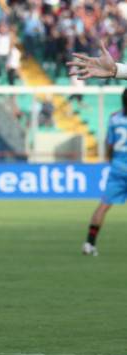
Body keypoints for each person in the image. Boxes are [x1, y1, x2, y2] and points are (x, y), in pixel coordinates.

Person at [81, 88, 127, 256]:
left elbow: (109, 143)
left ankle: (89, 243)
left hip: (118, 167)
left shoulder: (114, 118)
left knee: (104, 205)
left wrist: (110, 159)